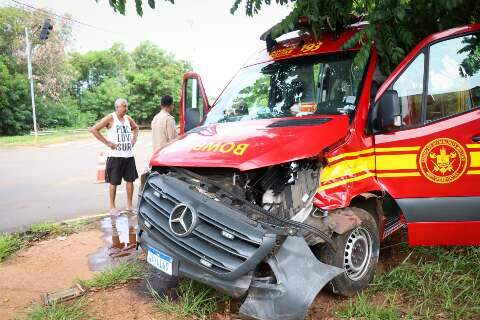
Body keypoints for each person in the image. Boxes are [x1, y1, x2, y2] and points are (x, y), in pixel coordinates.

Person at [90, 98, 139, 214]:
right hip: (115, 156)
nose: (126, 108)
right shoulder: (111, 118)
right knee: (114, 182)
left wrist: (133, 140)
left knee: (130, 181)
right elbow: (94, 129)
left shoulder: (128, 119)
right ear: (117, 107)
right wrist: (107, 143)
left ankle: (129, 205)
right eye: (124, 106)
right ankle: (112, 206)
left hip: (128, 155)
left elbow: (136, 128)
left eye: (126, 106)